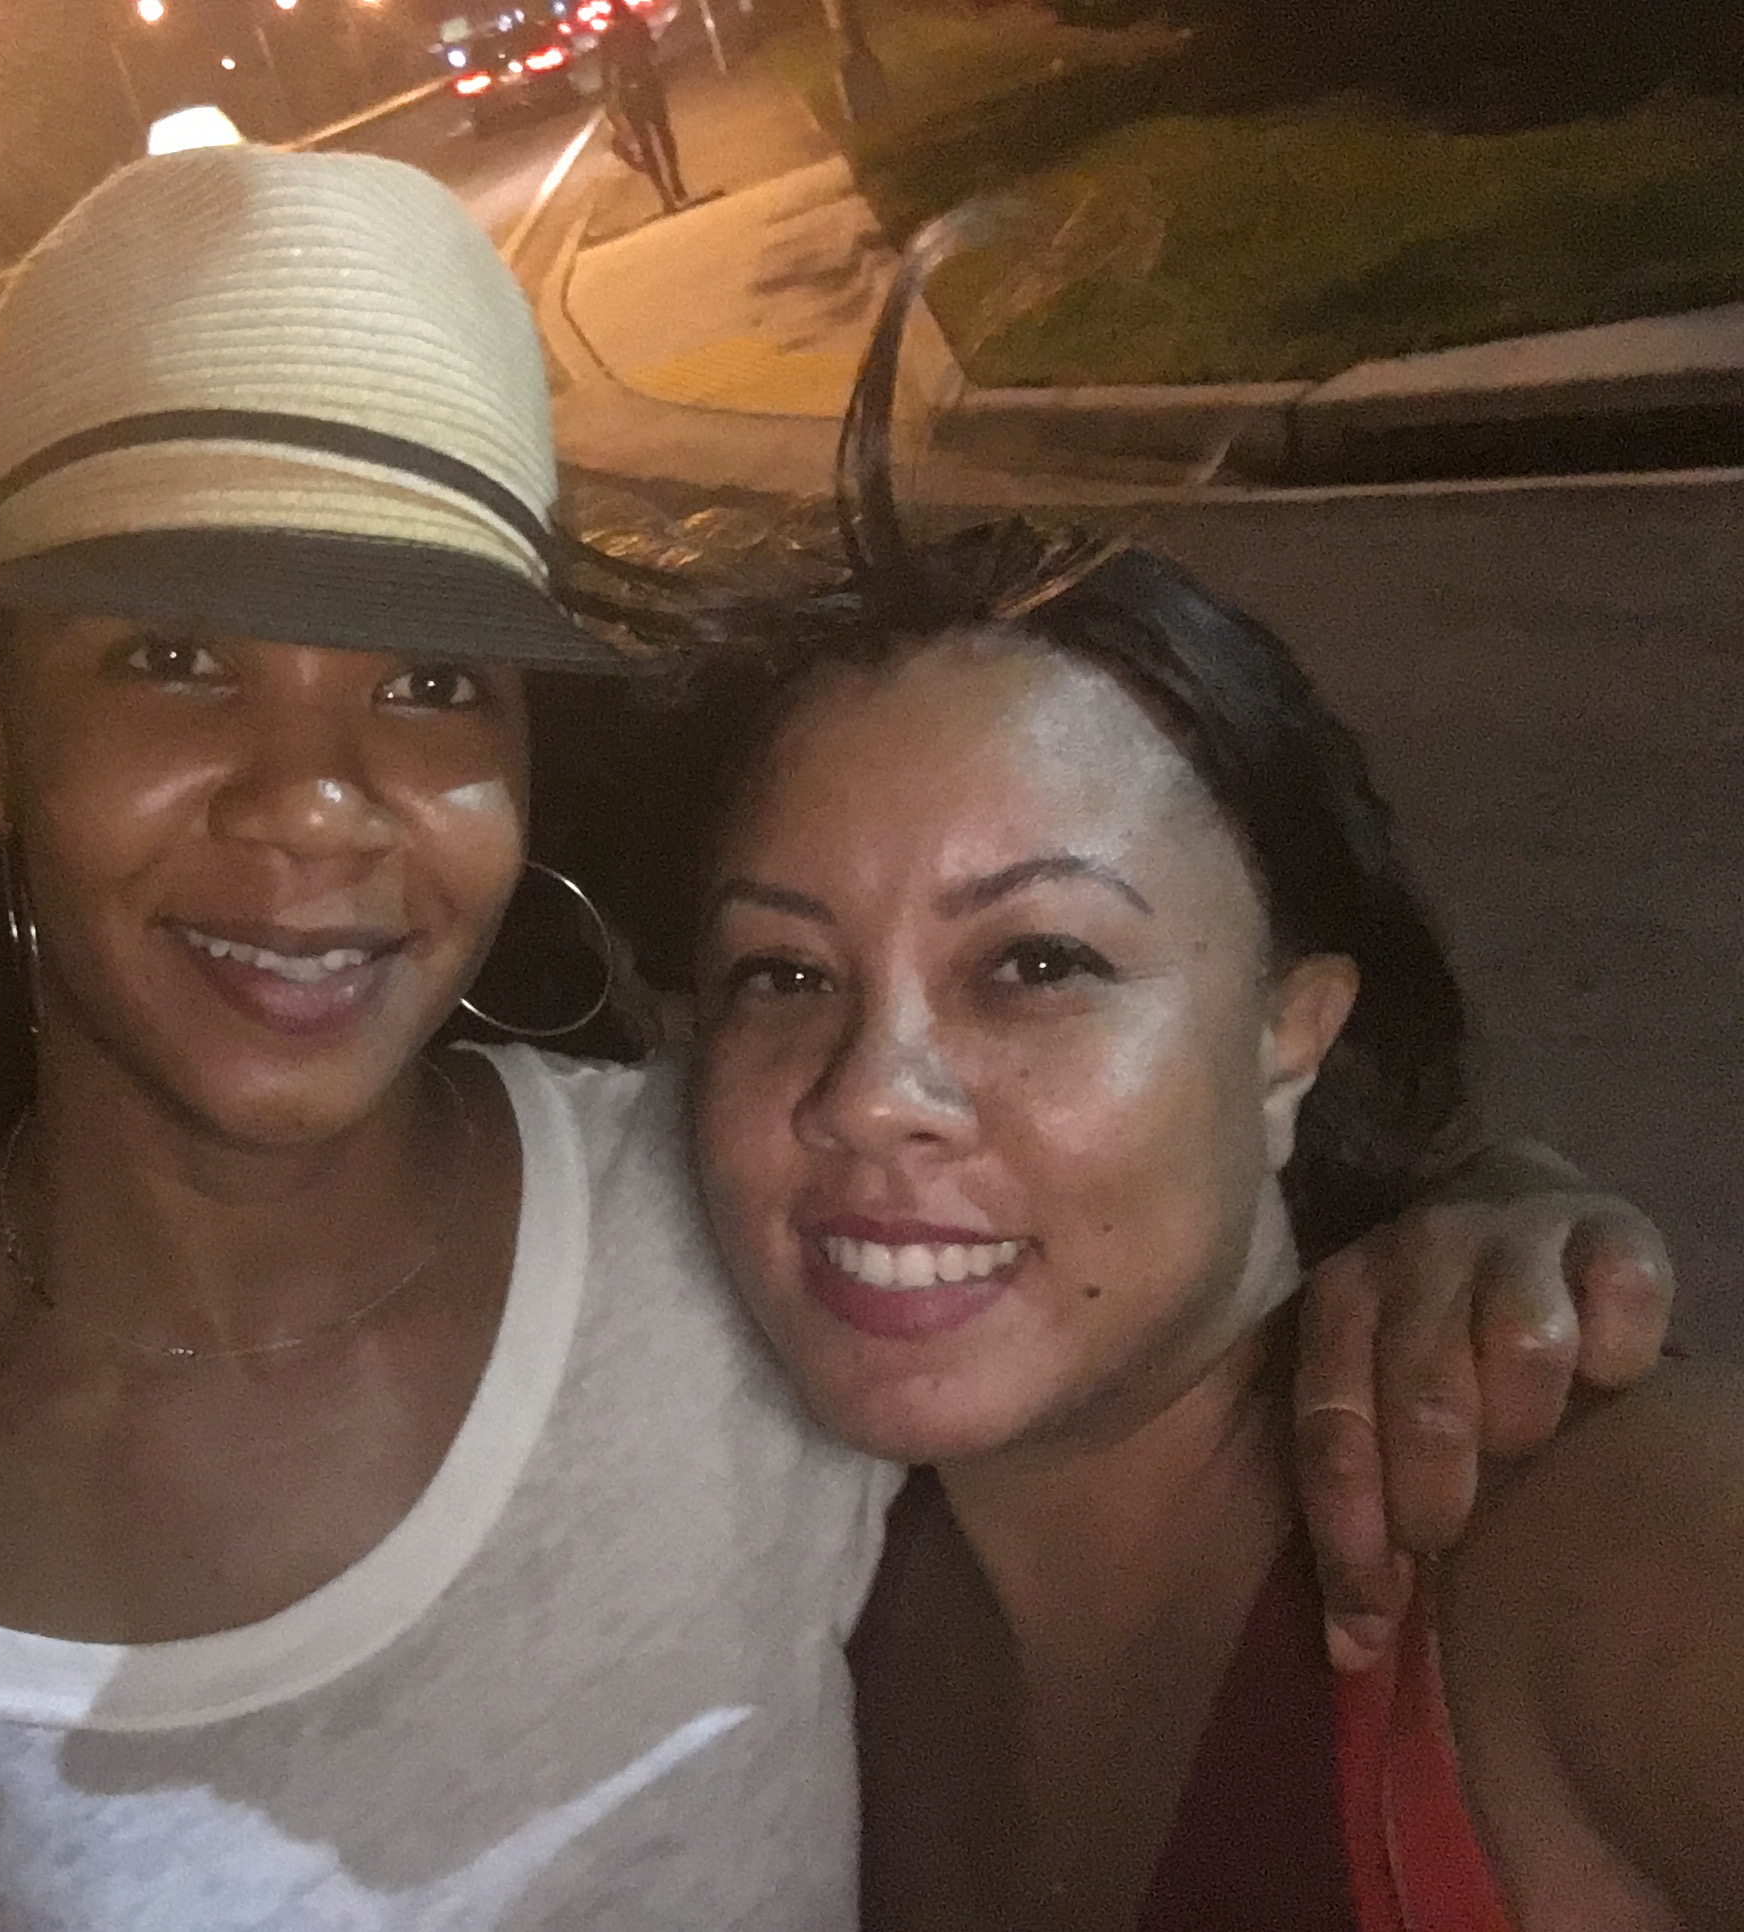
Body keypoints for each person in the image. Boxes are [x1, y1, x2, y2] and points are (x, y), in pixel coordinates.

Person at [0, 147, 1672, 1932]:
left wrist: (1457, 1214)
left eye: (430, 685)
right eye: (174, 658)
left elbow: (1126, 1268)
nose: (315, 801)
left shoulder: (729, 1222)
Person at [677, 506, 1743, 1921]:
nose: (870, 1095)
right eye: (783, 974)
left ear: (1288, 1039)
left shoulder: (1606, 1558)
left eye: (1037, 962)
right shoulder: (794, 1571)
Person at [595, 3, 687, 216]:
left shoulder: (607, 35)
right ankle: (676, 179)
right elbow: (651, 49)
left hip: (628, 90)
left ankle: (664, 196)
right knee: (664, 134)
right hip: (648, 82)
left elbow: (605, 72)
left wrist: (610, 103)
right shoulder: (637, 23)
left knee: (645, 144)